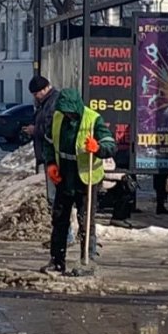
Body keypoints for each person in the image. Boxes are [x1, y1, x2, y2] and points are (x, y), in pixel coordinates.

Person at [43, 88, 116, 274]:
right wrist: (50, 163)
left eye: (70, 111)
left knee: (86, 221)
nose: (67, 115)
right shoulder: (58, 119)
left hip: (86, 179)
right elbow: (49, 142)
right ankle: (57, 260)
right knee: (59, 219)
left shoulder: (93, 119)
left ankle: (87, 259)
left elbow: (110, 144)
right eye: (65, 111)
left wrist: (99, 147)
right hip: (64, 178)